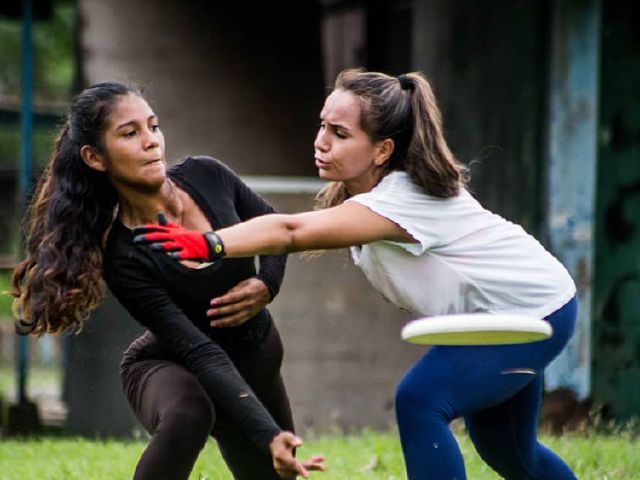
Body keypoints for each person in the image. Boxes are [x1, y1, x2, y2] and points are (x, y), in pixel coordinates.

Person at [134, 69, 579, 480]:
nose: (321, 141)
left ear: (383, 150)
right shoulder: (363, 193)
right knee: (507, 450)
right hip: (502, 312)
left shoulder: (401, 198)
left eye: (340, 133)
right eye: (323, 125)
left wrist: (211, 243)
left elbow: (291, 230)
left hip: (531, 311)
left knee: (421, 401)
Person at [11, 82, 324, 480]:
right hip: (171, 363)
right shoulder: (125, 257)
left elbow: (276, 232)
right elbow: (200, 352)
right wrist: (267, 434)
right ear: (95, 157)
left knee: (279, 472)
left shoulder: (207, 175)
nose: (150, 142)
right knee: (190, 413)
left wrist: (266, 286)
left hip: (254, 356)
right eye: (130, 133)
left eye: (153, 127)